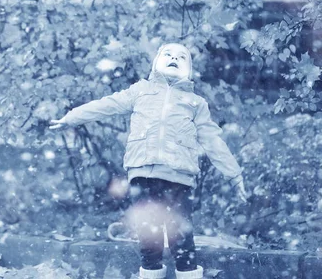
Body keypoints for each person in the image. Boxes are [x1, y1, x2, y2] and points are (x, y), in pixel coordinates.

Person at [50, 43, 247, 279]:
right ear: (156, 63)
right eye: (168, 54)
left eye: (181, 57)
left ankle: (187, 273)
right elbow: (105, 105)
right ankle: (151, 273)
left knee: (180, 235)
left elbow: (213, 141)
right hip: (142, 174)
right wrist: (71, 118)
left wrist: (234, 174)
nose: (174, 57)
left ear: (189, 70)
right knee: (148, 234)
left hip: (178, 178)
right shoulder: (140, 91)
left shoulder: (195, 103)